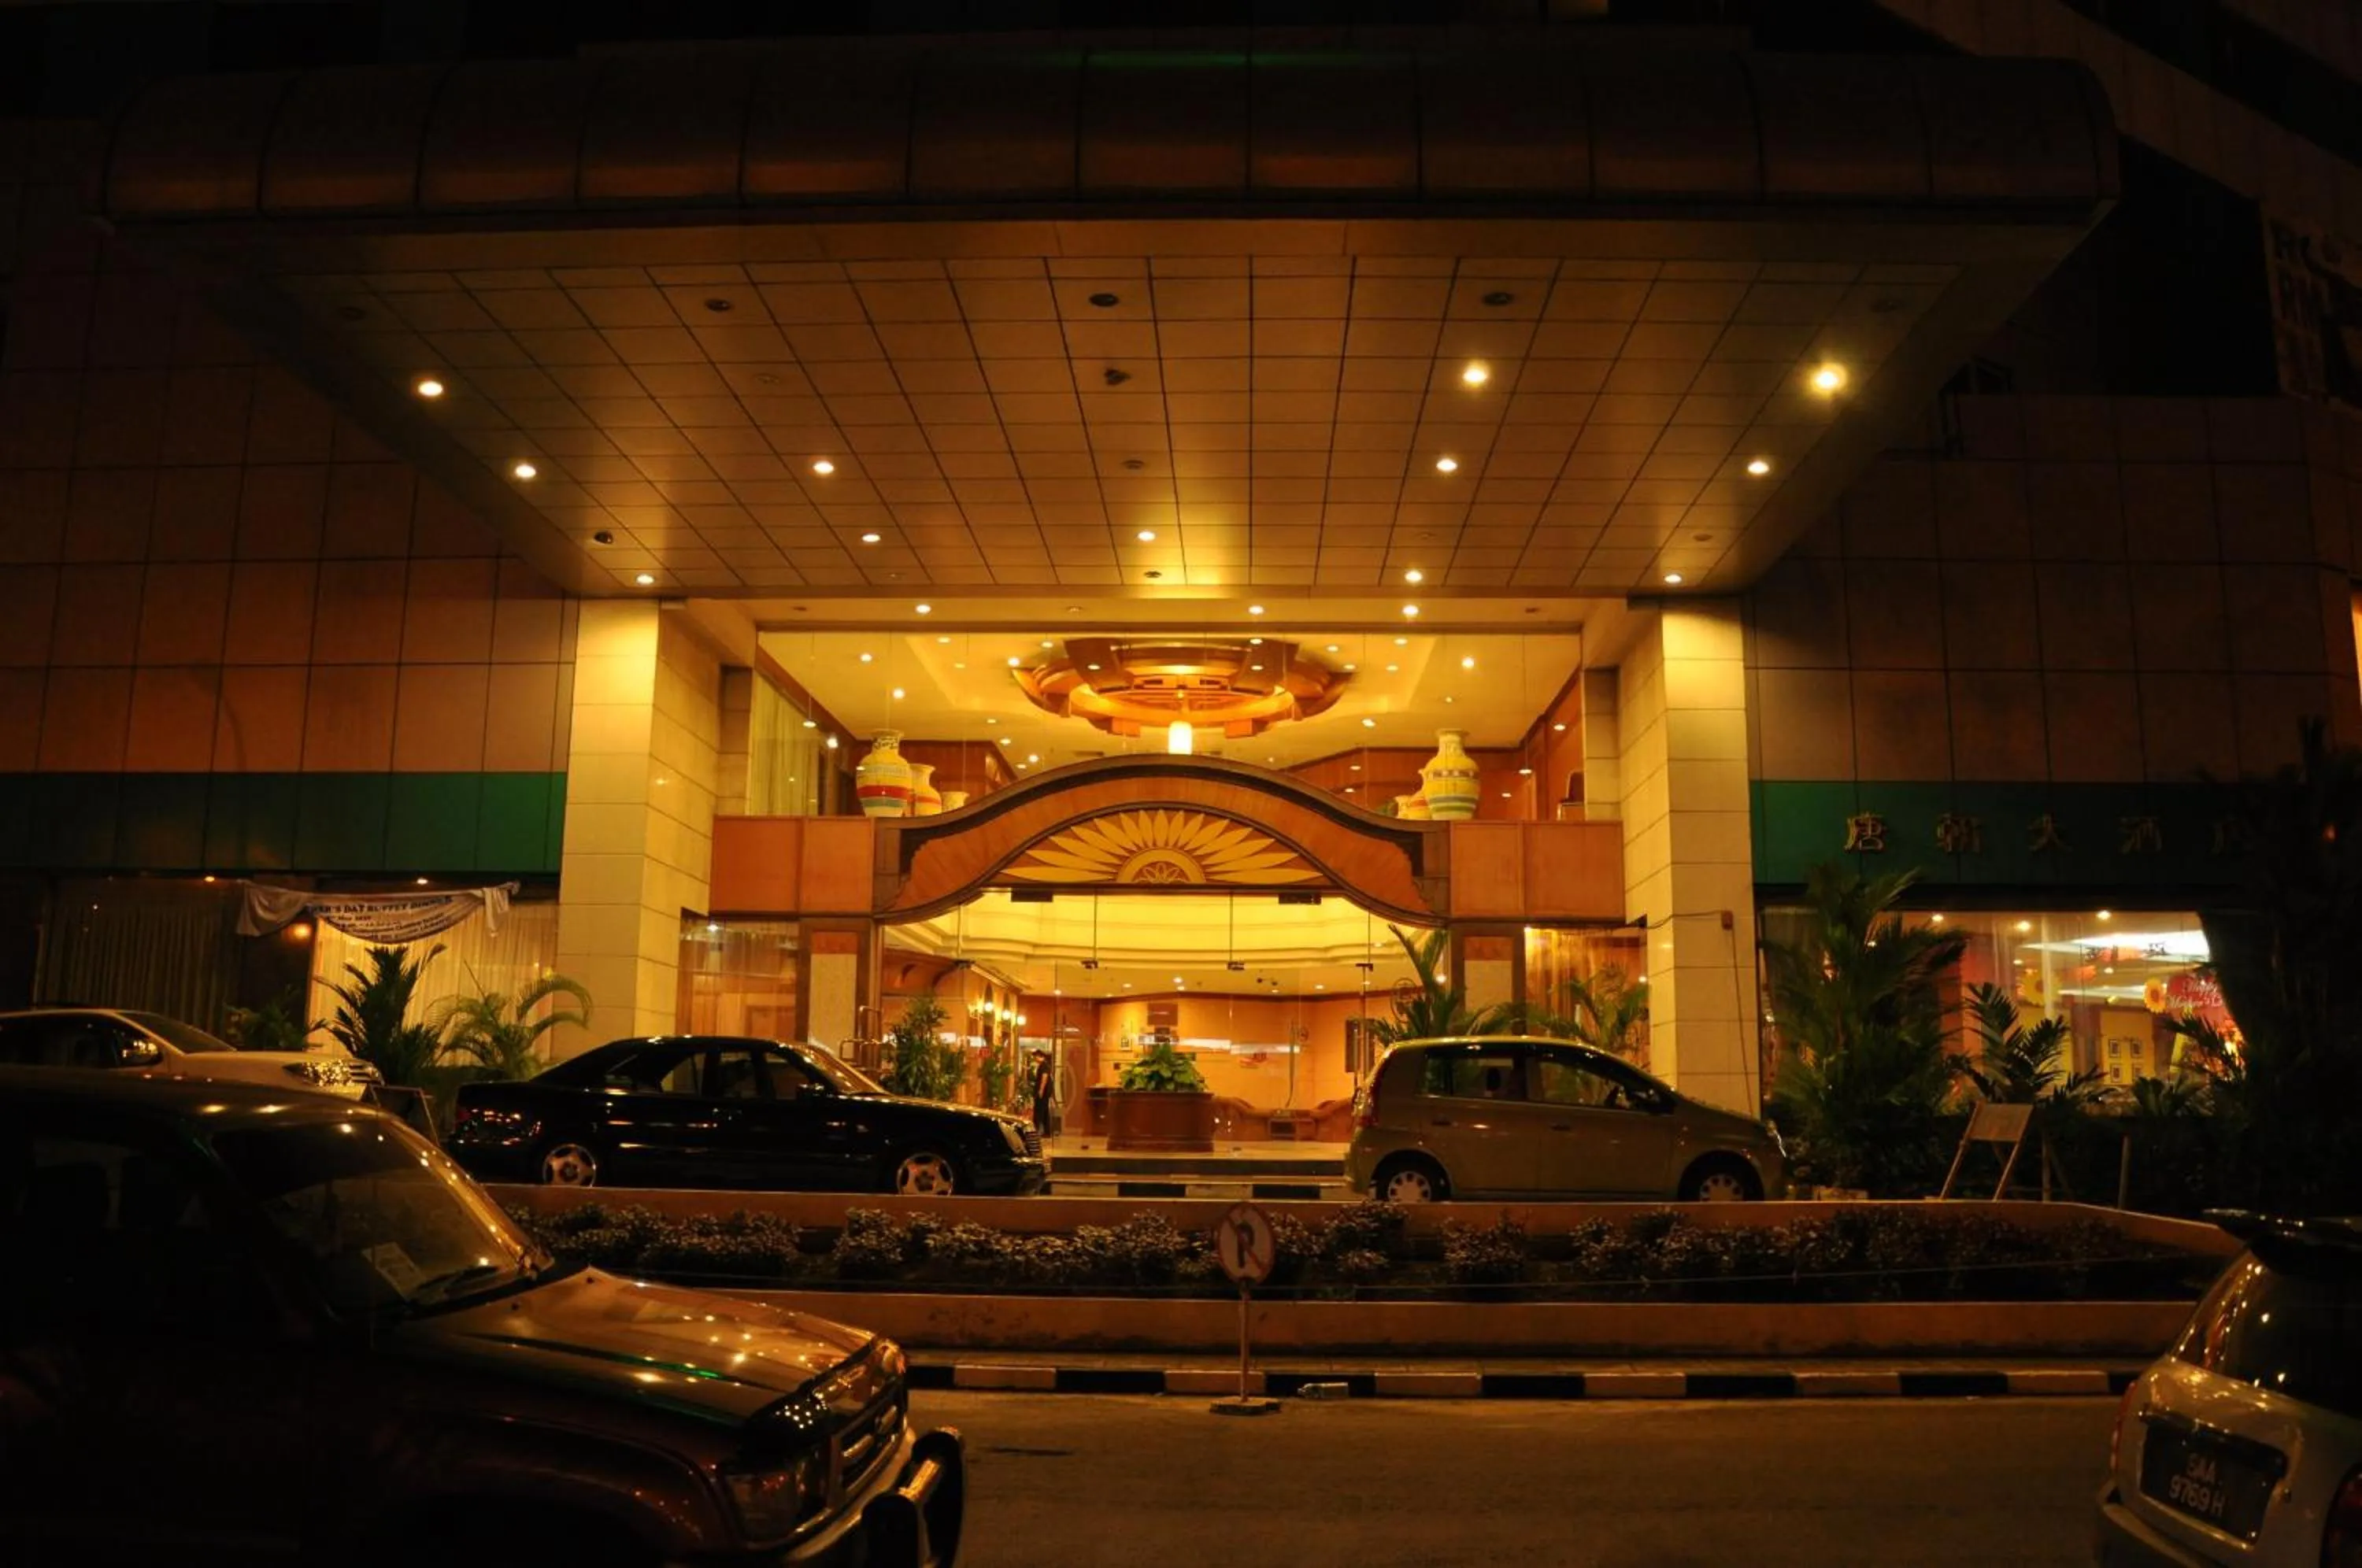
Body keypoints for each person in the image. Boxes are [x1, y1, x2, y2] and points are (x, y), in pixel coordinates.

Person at [1027, 1050, 1056, 1137]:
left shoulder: (1044, 1066)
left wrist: (1041, 1090)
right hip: (1044, 1093)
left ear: (1040, 1056)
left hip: (1042, 1094)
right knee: (1044, 1112)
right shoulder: (1044, 1065)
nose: (1035, 1059)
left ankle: (1036, 1130)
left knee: (1039, 1111)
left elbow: (1044, 1078)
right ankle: (1047, 1132)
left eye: (1036, 1057)